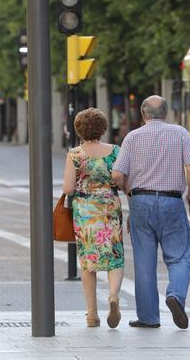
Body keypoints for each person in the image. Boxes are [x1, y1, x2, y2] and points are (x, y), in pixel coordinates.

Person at [112, 95, 190, 329]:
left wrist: (129, 193)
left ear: (143, 114)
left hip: (141, 202)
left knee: (144, 263)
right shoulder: (180, 133)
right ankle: (176, 296)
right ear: (166, 113)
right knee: (179, 257)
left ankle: (149, 317)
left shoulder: (132, 137)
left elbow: (117, 175)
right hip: (172, 202)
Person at [61, 108, 125, 328]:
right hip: (109, 209)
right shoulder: (115, 150)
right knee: (114, 256)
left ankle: (92, 314)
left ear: (79, 129)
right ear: (103, 128)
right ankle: (114, 296)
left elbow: (68, 189)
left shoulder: (75, 155)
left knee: (88, 262)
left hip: (86, 213)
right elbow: (121, 180)